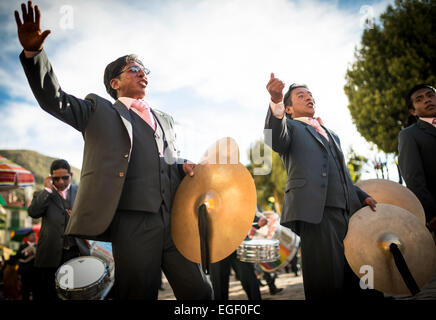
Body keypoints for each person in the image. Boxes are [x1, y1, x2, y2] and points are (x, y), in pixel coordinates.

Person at [15, 1, 211, 300]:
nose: (143, 73)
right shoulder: (98, 110)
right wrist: (33, 54)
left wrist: (183, 165)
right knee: (137, 294)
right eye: (134, 69)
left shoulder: (166, 119)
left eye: (145, 69)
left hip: (174, 219)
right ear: (115, 82)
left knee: (200, 293)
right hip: (131, 223)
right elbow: (54, 100)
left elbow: (166, 160)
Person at [264, 74, 380, 300]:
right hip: (316, 213)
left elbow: (341, 172)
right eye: (301, 96)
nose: (309, 99)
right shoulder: (289, 127)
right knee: (325, 280)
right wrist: (276, 100)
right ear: (288, 109)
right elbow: (273, 139)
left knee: (359, 275)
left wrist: (361, 196)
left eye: (310, 96)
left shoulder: (332, 134)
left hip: (349, 213)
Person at [28, 159, 90, 300]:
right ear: (50, 178)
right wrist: (47, 190)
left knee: (73, 293)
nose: (61, 182)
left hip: (75, 252)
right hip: (49, 255)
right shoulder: (42, 195)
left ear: (71, 175)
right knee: (49, 294)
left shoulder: (81, 191)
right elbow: (33, 212)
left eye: (65, 178)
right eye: (56, 179)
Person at [398, 84, 436, 235]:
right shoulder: (409, 135)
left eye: (430, 95)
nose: (427, 100)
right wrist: (432, 214)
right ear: (413, 111)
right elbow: (414, 178)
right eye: (419, 99)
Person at [17, 230, 37, 300]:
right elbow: (18, 255)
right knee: (25, 290)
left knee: (36, 289)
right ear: (28, 237)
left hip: (35, 271)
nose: (34, 236)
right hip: (25, 271)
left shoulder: (38, 245)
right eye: (32, 235)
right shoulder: (23, 246)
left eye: (35, 235)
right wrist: (27, 253)